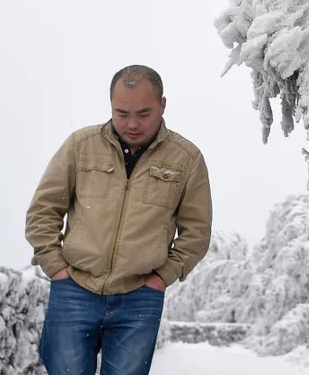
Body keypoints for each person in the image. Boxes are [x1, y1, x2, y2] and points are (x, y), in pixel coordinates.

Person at [26, 65, 212, 375]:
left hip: (140, 298)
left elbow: (197, 231)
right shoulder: (79, 146)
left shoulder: (187, 158)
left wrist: (162, 277)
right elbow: (43, 210)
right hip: (74, 288)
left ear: (163, 105)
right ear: (110, 105)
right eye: (122, 113)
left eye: (143, 112)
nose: (132, 123)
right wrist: (55, 266)